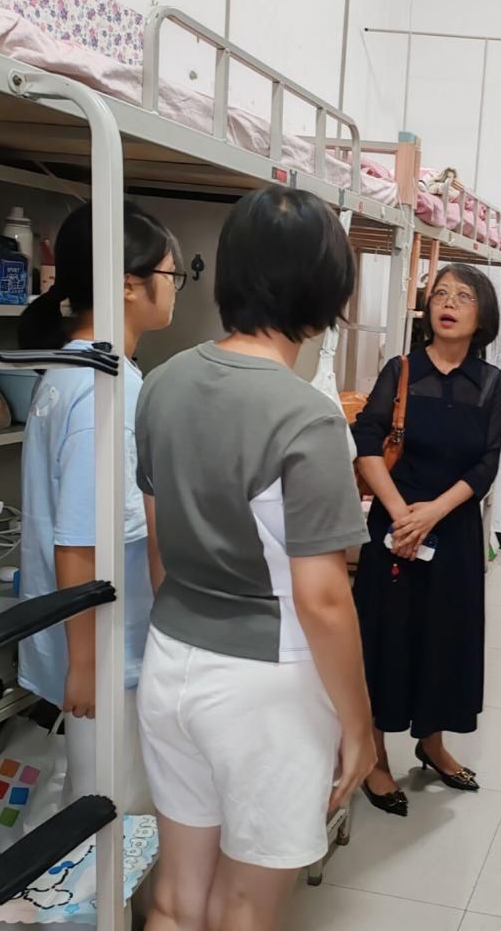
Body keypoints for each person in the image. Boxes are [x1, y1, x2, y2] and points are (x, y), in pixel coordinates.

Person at [135, 186, 375, 931]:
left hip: (170, 662)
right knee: (243, 909)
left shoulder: (162, 384)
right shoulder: (308, 418)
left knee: (177, 898)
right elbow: (323, 599)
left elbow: (160, 547)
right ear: (324, 292)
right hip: (267, 686)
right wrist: (360, 726)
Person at [16, 200, 183, 813]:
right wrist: (85, 665)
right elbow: (79, 539)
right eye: (171, 274)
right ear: (128, 284)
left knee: (93, 802)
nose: (176, 288)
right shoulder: (103, 390)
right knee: (108, 818)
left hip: (90, 644)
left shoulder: (74, 368)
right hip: (105, 651)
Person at [352, 262, 501, 815]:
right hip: (394, 529)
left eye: (463, 296)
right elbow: (366, 442)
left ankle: (432, 743)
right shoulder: (400, 371)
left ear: (482, 316)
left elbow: (487, 463)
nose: (449, 303)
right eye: (440, 293)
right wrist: (402, 515)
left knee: (445, 637)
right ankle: (374, 758)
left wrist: (435, 512)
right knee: (384, 637)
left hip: (454, 530)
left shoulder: (490, 383)